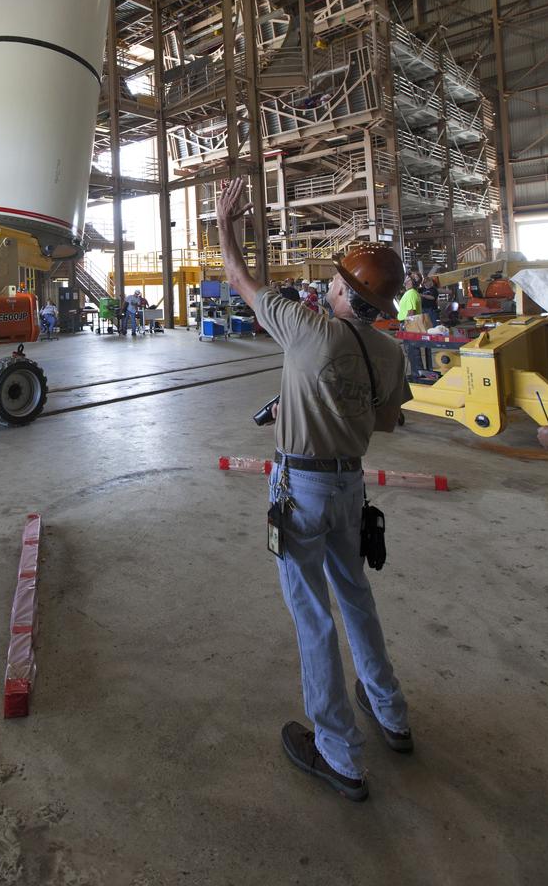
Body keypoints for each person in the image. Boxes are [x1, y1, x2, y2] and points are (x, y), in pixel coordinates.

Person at [217, 179, 412, 802]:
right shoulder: (389, 352)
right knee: (356, 598)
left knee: (312, 615)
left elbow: (237, 276)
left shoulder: (308, 331)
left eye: (334, 281)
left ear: (345, 292)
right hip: (350, 488)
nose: (326, 287)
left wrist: (228, 222)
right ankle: (391, 713)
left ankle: (339, 754)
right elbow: (384, 422)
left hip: (301, 488)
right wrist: (315, 404)